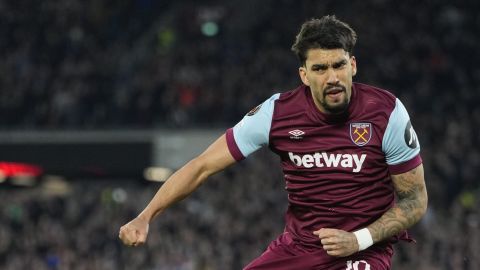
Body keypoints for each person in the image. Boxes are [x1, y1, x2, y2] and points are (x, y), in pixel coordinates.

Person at [119, 15, 428, 270]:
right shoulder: (276, 114)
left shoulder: (386, 112)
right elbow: (201, 167)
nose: (332, 77)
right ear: (304, 75)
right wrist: (146, 216)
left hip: (363, 252)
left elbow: (415, 200)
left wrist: (359, 239)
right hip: (298, 249)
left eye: (339, 65)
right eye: (320, 68)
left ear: (354, 66)